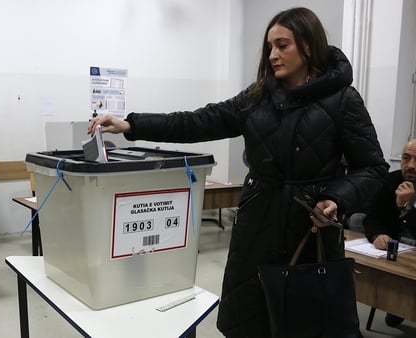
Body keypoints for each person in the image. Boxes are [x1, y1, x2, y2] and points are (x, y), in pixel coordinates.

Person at [88, 7, 388, 337]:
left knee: (308, 324)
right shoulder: (258, 97)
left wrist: (336, 198)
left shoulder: (343, 100)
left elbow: (373, 167)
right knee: (250, 321)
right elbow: (197, 121)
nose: (272, 55)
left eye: (282, 45)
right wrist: (131, 124)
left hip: (310, 231)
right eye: (269, 47)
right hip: (256, 229)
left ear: (308, 45)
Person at [363, 139, 416, 327]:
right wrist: (377, 235)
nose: (410, 166)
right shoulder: (391, 181)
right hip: (397, 254)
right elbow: (372, 218)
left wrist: (408, 207)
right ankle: (396, 305)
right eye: (406, 158)